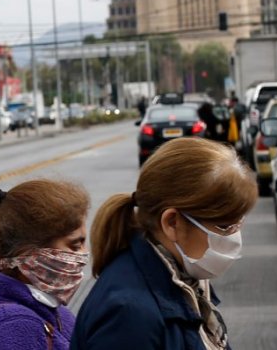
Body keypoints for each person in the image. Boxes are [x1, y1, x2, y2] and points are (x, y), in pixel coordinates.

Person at [72, 138, 257, 350]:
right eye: (225, 225)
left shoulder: (183, 280)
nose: (235, 235)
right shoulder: (128, 314)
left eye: (238, 222)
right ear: (171, 223)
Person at [0, 180, 90, 350]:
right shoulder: (15, 327)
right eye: (75, 245)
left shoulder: (56, 313)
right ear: (31, 256)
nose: (84, 255)